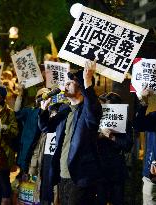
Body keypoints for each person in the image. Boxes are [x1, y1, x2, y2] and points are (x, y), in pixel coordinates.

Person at [38, 60, 102, 205]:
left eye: (70, 82)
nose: (65, 85)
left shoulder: (88, 109)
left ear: (80, 89)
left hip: (80, 177)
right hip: (62, 174)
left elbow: (92, 108)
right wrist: (43, 110)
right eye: (65, 82)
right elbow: (46, 128)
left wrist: (87, 82)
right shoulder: (64, 109)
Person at [97, 92, 133, 205]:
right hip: (99, 168)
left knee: (117, 200)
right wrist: (99, 136)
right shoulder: (95, 120)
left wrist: (112, 137)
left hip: (116, 168)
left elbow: (128, 145)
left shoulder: (125, 123)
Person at [0, 85, 18, 205]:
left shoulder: (9, 113)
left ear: (2, 97)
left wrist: (3, 128)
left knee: (3, 184)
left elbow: (15, 131)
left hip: (4, 154)